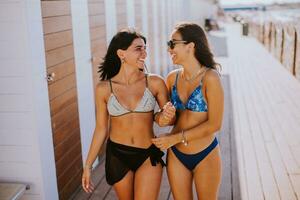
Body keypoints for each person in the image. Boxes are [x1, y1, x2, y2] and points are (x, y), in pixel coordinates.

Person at [81, 28, 176, 200]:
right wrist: (88, 165)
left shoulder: (154, 82)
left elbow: (166, 120)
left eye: (145, 48)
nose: (144, 53)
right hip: (118, 155)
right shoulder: (103, 88)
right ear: (121, 53)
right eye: (138, 48)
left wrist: (166, 116)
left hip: (148, 154)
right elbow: (101, 129)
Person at [152, 22, 224, 200]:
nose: (169, 49)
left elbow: (215, 124)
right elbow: (168, 119)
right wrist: (161, 117)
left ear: (190, 46)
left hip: (205, 154)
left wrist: (174, 138)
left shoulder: (210, 78)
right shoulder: (171, 78)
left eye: (172, 43)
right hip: (176, 155)